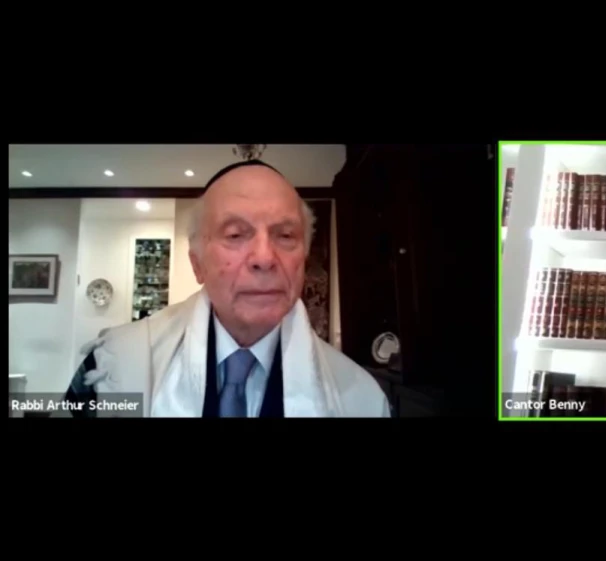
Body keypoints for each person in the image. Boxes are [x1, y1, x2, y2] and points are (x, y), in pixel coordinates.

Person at [63, 159, 390, 417]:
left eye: (286, 235)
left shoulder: (360, 399)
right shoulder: (112, 371)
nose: (264, 257)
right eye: (236, 234)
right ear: (197, 264)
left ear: (303, 259)